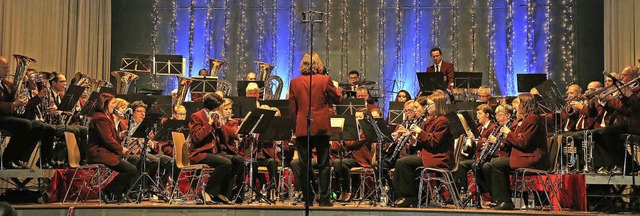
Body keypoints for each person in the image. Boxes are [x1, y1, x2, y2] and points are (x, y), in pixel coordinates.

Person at [288, 52, 342, 206]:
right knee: (324, 164)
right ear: (319, 65)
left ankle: (308, 197)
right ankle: (324, 199)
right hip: (321, 127)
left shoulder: (294, 82)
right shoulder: (325, 80)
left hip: (302, 127)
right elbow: (338, 98)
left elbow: (292, 109)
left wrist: (295, 128)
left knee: (304, 164)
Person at [484, 93, 547, 210]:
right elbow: (516, 141)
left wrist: (508, 133)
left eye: (517, 103)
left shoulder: (533, 119)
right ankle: (497, 199)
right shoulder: (524, 120)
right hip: (523, 156)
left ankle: (506, 201)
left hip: (531, 158)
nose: (515, 107)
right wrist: (503, 142)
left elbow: (523, 143)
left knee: (497, 164)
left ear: (525, 105)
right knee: (489, 165)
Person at [393, 90, 454, 207]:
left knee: (403, 163)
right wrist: (412, 140)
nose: (427, 107)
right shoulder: (430, 120)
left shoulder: (442, 121)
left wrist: (420, 132)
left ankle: (410, 197)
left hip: (439, 158)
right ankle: (414, 195)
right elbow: (422, 143)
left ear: (437, 105)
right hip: (429, 155)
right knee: (403, 162)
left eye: (429, 104)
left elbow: (433, 143)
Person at [87, 93, 139, 203]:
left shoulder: (107, 116)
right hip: (99, 153)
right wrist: (122, 150)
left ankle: (122, 193)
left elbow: (109, 136)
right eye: (113, 103)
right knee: (131, 170)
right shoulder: (100, 118)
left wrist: (119, 135)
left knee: (136, 162)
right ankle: (107, 191)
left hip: (107, 152)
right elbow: (107, 140)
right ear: (105, 104)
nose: (114, 106)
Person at [189, 93, 234, 204]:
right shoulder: (197, 116)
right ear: (214, 106)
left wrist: (220, 126)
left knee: (238, 160)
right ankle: (208, 191)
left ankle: (223, 193)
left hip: (214, 152)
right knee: (225, 162)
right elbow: (196, 138)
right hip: (200, 153)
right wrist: (209, 124)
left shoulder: (215, 116)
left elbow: (226, 139)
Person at [453, 104, 496, 194]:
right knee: (461, 165)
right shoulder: (479, 128)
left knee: (476, 166)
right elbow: (469, 150)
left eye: (480, 114)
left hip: (487, 158)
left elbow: (485, 145)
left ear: (487, 115)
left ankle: (486, 193)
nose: (477, 116)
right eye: (477, 114)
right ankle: (462, 192)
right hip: (476, 157)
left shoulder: (492, 128)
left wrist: (475, 140)